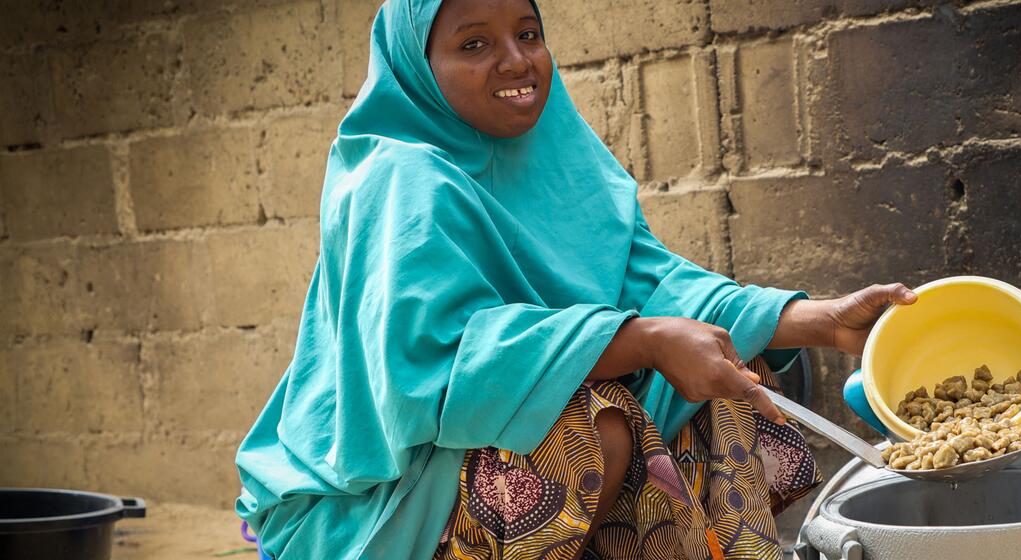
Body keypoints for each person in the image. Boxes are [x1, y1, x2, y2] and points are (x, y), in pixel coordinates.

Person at [234, 0, 917, 558]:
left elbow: (655, 286)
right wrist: (644, 341)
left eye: (527, 33)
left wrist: (819, 321)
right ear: (417, 66)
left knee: (724, 379)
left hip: (479, 454)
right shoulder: (399, 178)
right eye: (473, 45)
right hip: (388, 484)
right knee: (589, 428)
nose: (515, 60)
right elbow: (431, 373)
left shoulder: (554, 154)